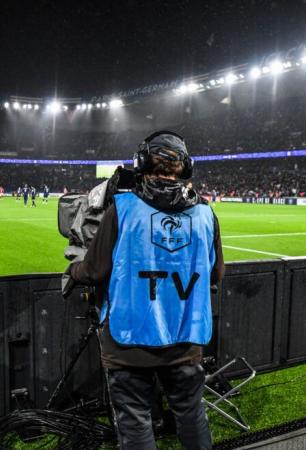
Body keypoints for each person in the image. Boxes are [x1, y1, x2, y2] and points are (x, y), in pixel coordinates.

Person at [68, 131, 224, 450]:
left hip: (128, 342)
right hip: (185, 339)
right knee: (192, 415)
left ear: (140, 164)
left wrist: (72, 269)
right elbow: (216, 274)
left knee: (135, 420)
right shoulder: (207, 214)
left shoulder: (122, 209)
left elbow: (95, 271)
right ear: (186, 167)